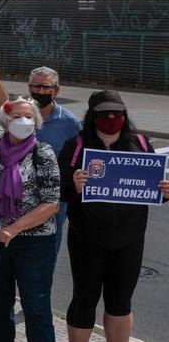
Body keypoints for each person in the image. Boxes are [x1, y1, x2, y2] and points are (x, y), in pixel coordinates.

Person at [59, 91, 169, 342]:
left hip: (129, 241)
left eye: (117, 112)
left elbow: (152, 189)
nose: (111, 117)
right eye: (104, 113)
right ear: (92, 116)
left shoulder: (140, 144)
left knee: (120, 302)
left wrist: (165, 192)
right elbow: (59, 190)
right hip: (86, 240)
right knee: (84, 300)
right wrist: (73, 185)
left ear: (124, 114)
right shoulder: (76, 146)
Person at [0, 97, 60, 342]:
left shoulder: (42, 152)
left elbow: (51, 203)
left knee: (36, 308)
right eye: (16, 116)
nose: (23, 121)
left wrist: (14, 228)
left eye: (29, 117)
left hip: (34, 242)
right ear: (5, 120)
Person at [26, 66, 83, 258]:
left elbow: (78, 159)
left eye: (46, 87)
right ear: (29, 88)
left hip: (52, 198)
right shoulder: (15, 114)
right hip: (18, 193)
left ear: (56, 90)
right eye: (36, 86)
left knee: (48, 248)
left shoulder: (70, 123)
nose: (41, 91)